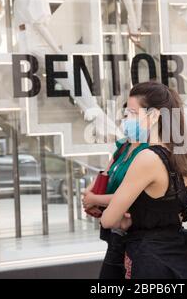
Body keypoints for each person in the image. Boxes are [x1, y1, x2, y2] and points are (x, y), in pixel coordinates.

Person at [100, 81, 187, 279]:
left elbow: (108, 219)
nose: (127, 119)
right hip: (180, 261)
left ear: (154, 115)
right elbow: (174, 213)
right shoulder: (182, 154)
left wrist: (127, 219)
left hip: (150, 263)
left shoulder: (147, 158)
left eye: (132, 113)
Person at [82, 103, 149, 279]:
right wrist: (90, 195)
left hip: (135, 233)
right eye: (125, 115)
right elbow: (106, 173)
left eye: (133, 114)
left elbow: (132, 195)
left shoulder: (149, 152)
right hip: (116, 232)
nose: (126, 120)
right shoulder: (123, 147)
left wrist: (95, 199)